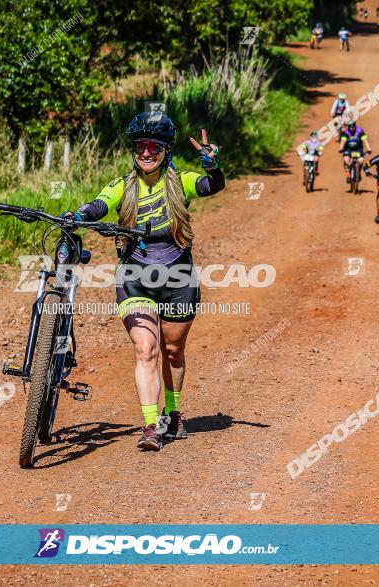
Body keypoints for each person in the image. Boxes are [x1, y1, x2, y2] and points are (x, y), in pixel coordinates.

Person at [66, 112, 225, 451]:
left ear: (166, 150)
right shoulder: (123, 185)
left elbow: (211, 186)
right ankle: (151, 426)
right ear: (133, 151)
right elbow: (97, 205)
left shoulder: (180, 181)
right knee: (145, 349)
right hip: (135, 277)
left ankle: (173, 413)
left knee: (172, 350)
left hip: (178, 276)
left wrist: (211, 164)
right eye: (141, 146)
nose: (147, 152)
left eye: (154, 146)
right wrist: (77, 217)